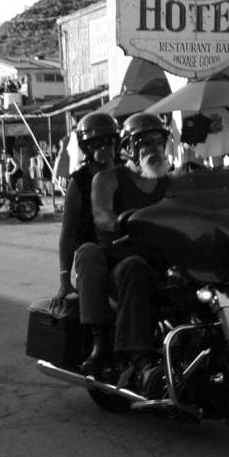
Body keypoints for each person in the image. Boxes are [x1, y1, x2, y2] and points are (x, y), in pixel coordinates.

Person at [73, 112, 174, 379]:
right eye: (144, 142)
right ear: (128, 148)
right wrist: (128, 224)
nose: (153, 148)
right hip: (121, 261)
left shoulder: (172, 183)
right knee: (133, 266)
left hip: (165, 259)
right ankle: (134, 355)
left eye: (157, 141)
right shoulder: (108, 179)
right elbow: (102, 217)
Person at [52, 112, 120, 312]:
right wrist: (64, 279)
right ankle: (100, 340)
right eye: (96, 143)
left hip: (123, 251)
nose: (104, 148)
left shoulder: (126, 173)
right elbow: (68, 233)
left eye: (108, 141)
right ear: (86, 147)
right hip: (92, 257)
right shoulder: (79, 182)